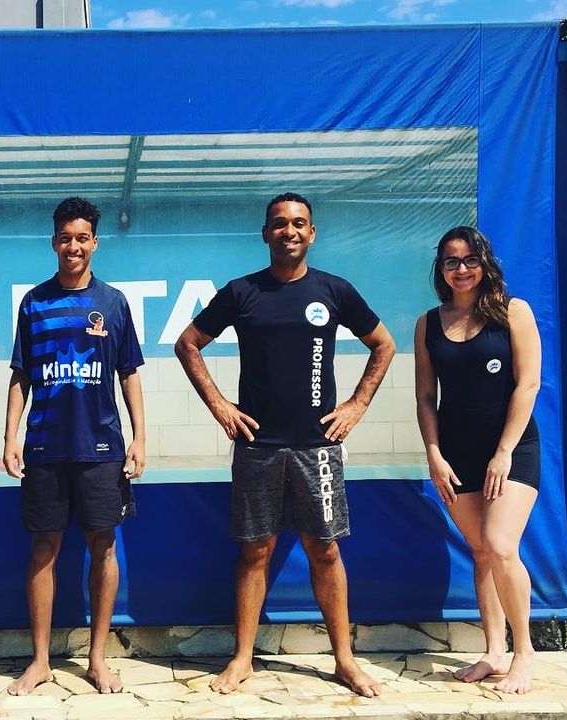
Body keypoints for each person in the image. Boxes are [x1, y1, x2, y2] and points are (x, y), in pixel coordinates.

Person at [175, 192, 395, 696]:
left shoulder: (334, 290)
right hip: (259, 447)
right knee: (256, 551)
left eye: (298, 223)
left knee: (325, 550)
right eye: (279, 223)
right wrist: (220, 406)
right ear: (265, 233)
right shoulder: (242, 292)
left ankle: (344, 660)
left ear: (311, 233)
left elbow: (384, 344)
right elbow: (187, 343)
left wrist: (357, 404)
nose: (289, 231)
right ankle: (242, 659)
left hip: (318, 447)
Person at [3, 197, 147, 695]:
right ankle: (41, 661)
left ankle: (97, 659)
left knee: (103, 547)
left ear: (94, 243)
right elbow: (21, 375)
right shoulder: (34, 302)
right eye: (65, 238)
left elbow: (128, 374)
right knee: (43, 549)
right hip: (44, 446)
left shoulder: (114, 303)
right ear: (54, 242)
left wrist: (139, 438)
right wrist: (10, 436)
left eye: (82, 238)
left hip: (102, 448)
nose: (73, 246)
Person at [413, 225, 542, 694]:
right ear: (441, 269)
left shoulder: (513, 312)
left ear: (484, 264)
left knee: (501, 544)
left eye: (470, 260)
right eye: (451, 261)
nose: (461, 269)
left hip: (512, 449)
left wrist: (503, 453)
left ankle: (524, 652)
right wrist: (434, 454)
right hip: (456, 453)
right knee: (482, 551)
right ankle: (494, 651)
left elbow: (528, 385)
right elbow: (425, 397)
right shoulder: (429, 323)